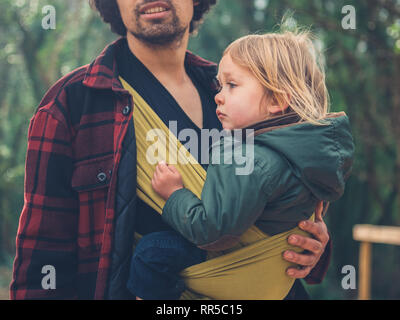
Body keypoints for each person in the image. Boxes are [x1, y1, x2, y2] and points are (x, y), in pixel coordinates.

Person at [10, 0, 331, 300]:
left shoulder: (244, 91)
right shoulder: (74, 104)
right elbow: (43, 259)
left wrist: (310, 245)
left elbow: (292, 192)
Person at [126, 31, 354, 300]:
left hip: (236, 259)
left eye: (232, 86)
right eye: (220, 86)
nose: (219, 97)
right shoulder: (306, 152)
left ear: (277, 101)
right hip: (275, 274)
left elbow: (211, 231)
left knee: (154, 252)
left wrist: (175, 195)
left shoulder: (250, 158)